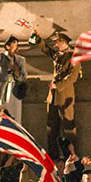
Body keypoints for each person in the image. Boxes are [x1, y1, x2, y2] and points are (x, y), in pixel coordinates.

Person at [32, 29, 81, 160]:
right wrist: (37, 38)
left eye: (57, 42)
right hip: (52, 97)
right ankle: (53, 155)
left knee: (68, 126)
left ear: (63, 42)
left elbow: (73, 77)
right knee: (51, 127)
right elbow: (46, 49)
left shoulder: (73, 57)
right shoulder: (57, 55)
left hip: (65, 97)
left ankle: (71, 155)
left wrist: (58, 86)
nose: (55, 45)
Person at [0, 30, 27, 121]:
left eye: (17, 44)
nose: (16, 47)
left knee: (15, 113)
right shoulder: (2, 58)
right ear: (8, 46)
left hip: (15, 90)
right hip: (2, 89)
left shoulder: (20, 60)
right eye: (14, 44)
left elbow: (24, 77)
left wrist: (17, 72)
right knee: (0, 111)